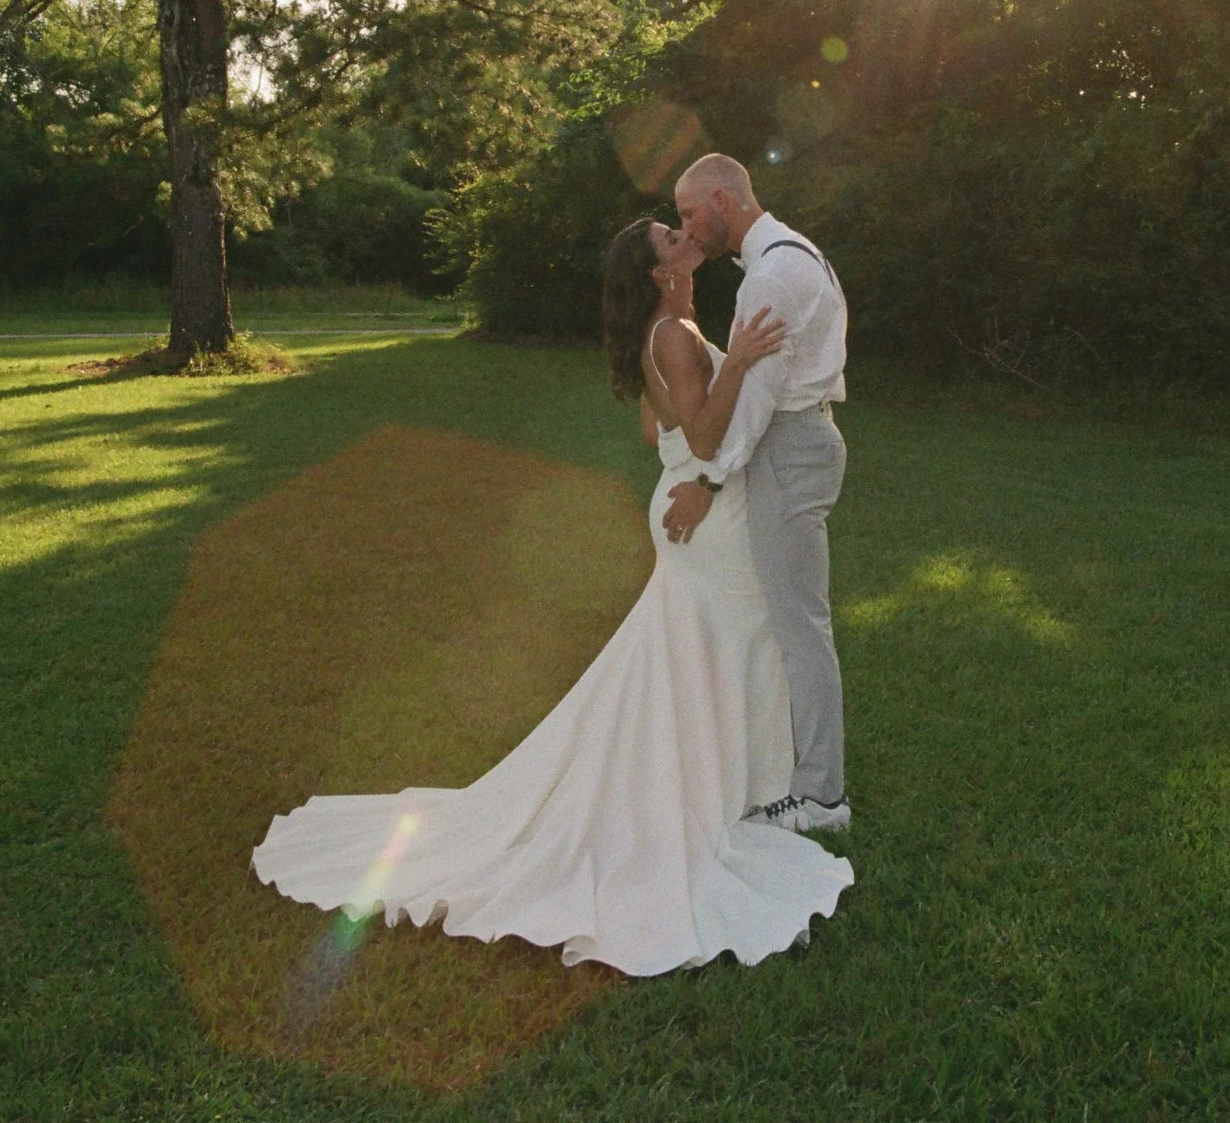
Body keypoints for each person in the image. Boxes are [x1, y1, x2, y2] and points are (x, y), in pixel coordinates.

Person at [249, 214, 852, 974]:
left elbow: (656, 429)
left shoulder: (671, 331)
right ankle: (724, 797)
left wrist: (694, 445)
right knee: (729, 642)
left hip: (694, 506)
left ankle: (734, 788)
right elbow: (702, 435)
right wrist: (735, 378)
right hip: (707, 515)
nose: (683, 235)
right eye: (670, 237)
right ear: (658, 273)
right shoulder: (673, 332)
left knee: (706, 649)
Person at [664, 152, 852, 834]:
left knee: (800, 627)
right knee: (795, 621)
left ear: (722, 198)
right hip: (800, 442)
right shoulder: (794, 254)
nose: (685, 227)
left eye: (688, 213)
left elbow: (759, 399)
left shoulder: (771, 274)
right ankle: (794, 772)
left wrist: (710, 479)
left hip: (788, 448)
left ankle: (822, 798)